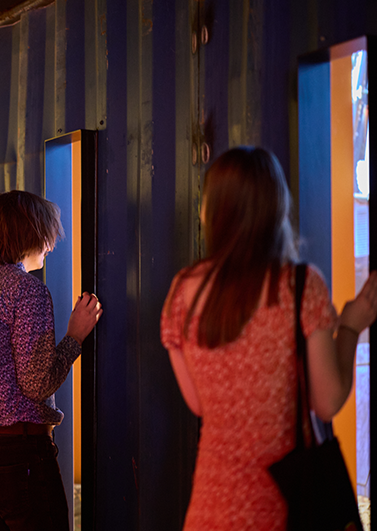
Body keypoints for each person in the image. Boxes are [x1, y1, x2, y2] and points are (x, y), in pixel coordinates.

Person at [160, 146, 377, 531]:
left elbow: (198, 403)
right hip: (284, 509)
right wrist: (350, 327)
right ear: (277, 209)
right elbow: (326, 404)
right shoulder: (300, 284)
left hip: (210, 510)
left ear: (210, 210)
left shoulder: (183, 290)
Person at [0, 189, 103, 530]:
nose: (51, 245)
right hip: (20, 454)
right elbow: (37, 383)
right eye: (47, 233)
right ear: (29, 233)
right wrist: (75, 337)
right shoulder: (27, 290)